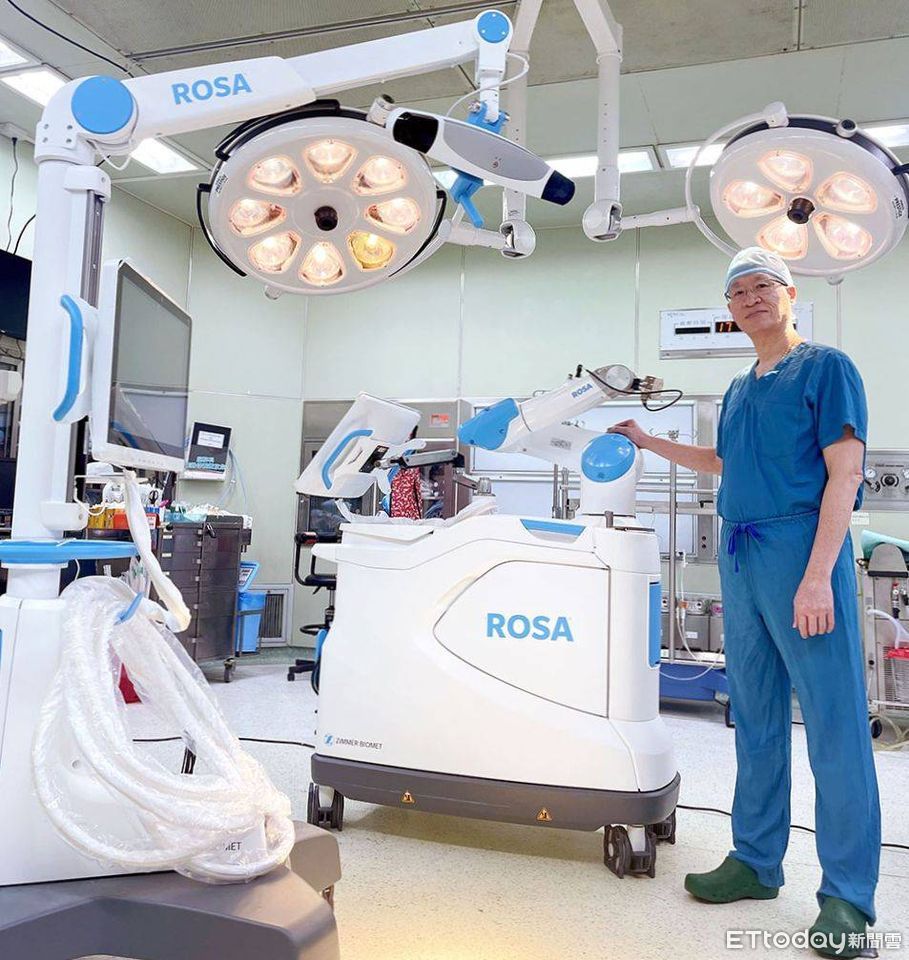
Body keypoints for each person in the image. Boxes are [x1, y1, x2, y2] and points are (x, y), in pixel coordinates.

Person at [610, 247, 879, 959]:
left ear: (789, 293)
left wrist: (816, 578)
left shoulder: (826, 368)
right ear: (729, 311)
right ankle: (756, 862)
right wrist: (646, 440)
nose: (750, 297)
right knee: (754, 718)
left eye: (763, 285)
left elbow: (845, 474)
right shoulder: (738, 388)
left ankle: (847, 897)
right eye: (737, 291)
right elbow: (722, 463)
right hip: (742, 554)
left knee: (833, 727)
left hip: (802, 552)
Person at [389, 427, 423, 520]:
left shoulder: (411, 453)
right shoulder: (396, 451)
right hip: (395, 505)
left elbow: (416, 490)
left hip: (406, 507)